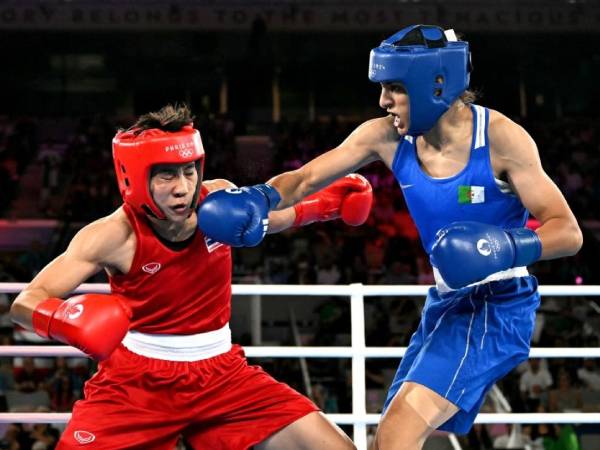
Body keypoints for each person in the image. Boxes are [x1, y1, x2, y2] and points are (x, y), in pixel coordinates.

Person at [197, 25, 583, 450]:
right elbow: (307, 178)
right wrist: (261, 197)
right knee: (390, 438)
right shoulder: (386, 135)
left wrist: (504, 246)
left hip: (499, 302)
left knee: (399, 432)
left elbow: (567, 231)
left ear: (436, 84)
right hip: (446, 303)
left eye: (395, 88)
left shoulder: (500, 139)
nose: (384, 101)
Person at [10, 104, 373, 449]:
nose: (183, 187)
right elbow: (26, 301)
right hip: (138, 384)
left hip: (223, 375)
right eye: (167, 174)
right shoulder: (113, 235)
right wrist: (63, 319)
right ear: (135, 177)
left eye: (189, 170)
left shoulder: (216, 200)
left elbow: (272, 219)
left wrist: (328, 205)